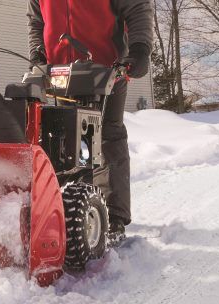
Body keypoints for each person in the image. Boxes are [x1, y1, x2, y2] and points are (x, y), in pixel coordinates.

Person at [27, 0, 154, 242]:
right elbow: (36, 20)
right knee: (65, 141)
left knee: (106, 137)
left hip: (107, 70)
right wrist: (38, 52)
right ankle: (66, 209)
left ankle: (114, 216)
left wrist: (139, 49)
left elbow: (138, 8)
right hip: (61, 74)